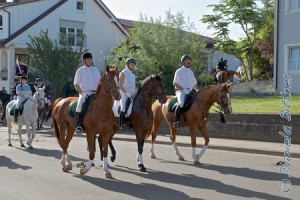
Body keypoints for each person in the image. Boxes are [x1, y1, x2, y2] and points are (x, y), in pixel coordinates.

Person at [73, 52, 101, 134]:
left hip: (96, 93)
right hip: (84, 93)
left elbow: (100, 83)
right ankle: (78, 125)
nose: (89, 61)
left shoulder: (96, 70)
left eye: (90, 59)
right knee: (79, 106)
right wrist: (82, 93)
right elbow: (76, 84)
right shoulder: (80, 71)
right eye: (87, 59)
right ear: (84, 60)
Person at [173, 55, 197, 129]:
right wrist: (183, 90)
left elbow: (194, 83)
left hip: (190, 91)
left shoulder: (191, 72)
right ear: (183, 62)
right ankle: (175, 121)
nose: (188, 61)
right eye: (187, 60)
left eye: (189, 60)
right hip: (180, 91)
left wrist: (196, 90)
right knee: (181, 103)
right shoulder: (179, 71)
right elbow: (175, 83)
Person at [119, 57, 136, 130]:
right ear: (127, 65)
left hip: (132, 93)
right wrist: (126, 93)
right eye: (131, 64)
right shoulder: (123, 73)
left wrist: (135, 92)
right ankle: (122, 123)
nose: (132, 66)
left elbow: (133, 86)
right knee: (123, 107)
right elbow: (120, 85)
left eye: (133, 64)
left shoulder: (133, 75)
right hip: (124, 92)